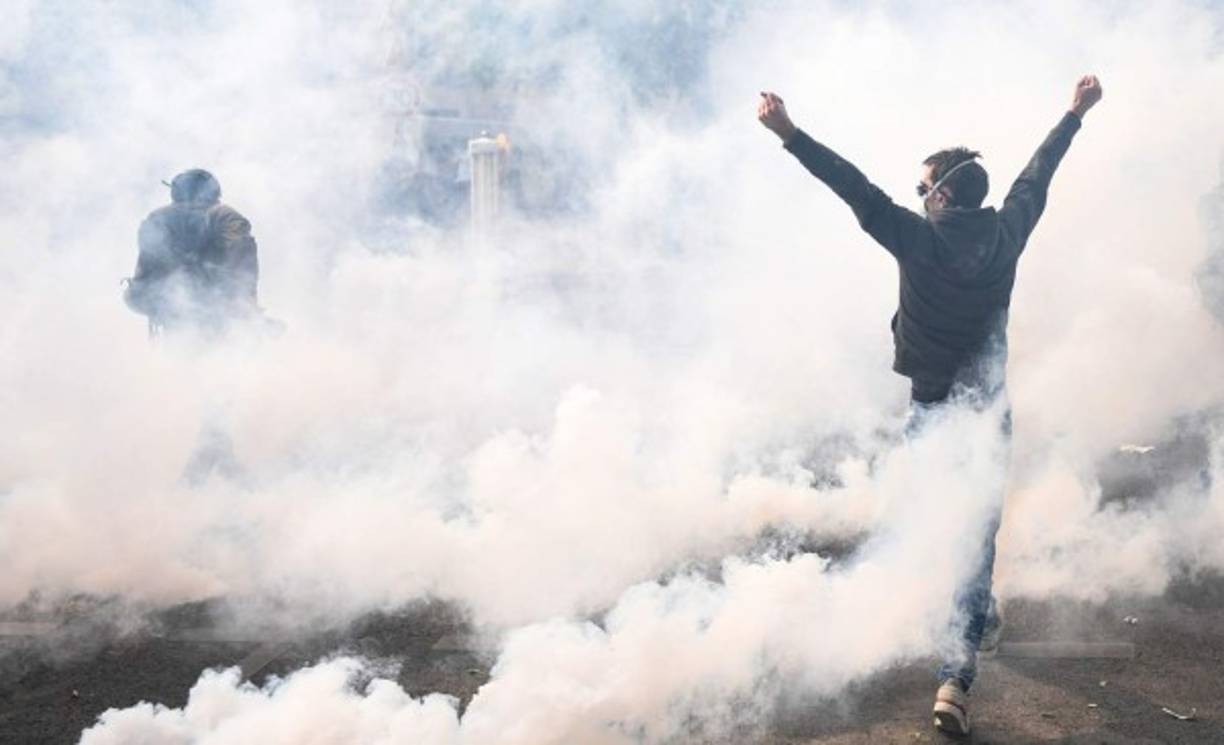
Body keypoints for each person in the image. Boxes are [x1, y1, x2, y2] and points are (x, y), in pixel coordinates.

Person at [758, 75, 1103, 735]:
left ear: (942, 195)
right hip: (987, 418)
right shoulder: (1007, 231)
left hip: (932, 413)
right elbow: (1038, 174)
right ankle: (970, 642)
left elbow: (853, 186)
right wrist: (1073, 115)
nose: (916, 198)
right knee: (971, 540)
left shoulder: (916, 239)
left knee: (948, 535)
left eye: (922, 190)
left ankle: (956, 669)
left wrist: (790, 134)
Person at [124, 169, 260, 337]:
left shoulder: (157, 217)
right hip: (215, 299)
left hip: (166, 298)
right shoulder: (225, 215)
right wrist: (245, 300)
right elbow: (242, 257)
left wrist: (143, 290)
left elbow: (146, 264)